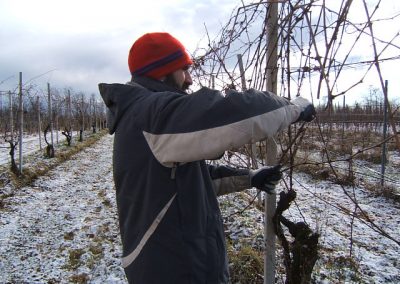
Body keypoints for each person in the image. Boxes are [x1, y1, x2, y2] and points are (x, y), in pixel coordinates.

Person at [99, 32, 315, 284]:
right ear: (161, 71)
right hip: (175, 270)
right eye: (184, 70)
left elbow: (190, 181)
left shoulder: (145, 117)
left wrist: (250, 178)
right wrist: (293, 108)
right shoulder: (152, 114)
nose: (189, 79)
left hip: (167, 262)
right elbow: (229, 113)